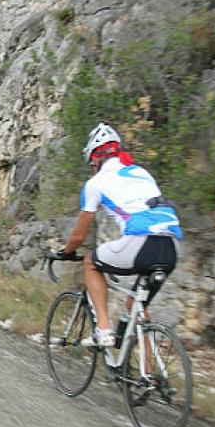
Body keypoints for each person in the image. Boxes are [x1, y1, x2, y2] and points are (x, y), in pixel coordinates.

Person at [57, 122, 181, 346]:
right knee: (137, 307)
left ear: (95, 158)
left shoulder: (95, 184)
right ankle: (150, 377)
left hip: (141, 241)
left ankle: (103, 330)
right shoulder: (141, 173)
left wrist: (65, 251)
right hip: (170, 246)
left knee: (90, 262)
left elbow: (78, 237)